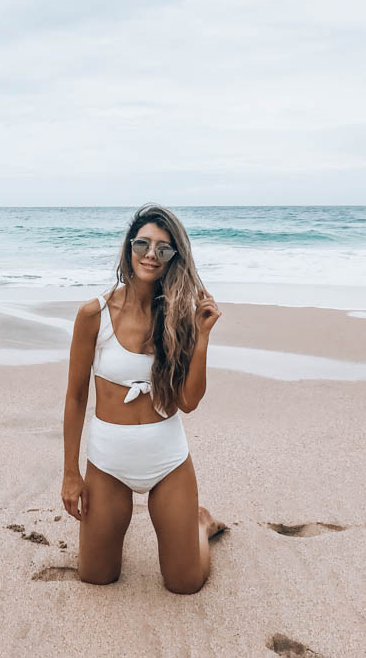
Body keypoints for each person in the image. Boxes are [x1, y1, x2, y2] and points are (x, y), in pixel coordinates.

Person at [61, 203, 226, 594]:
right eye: (143, 244)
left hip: (167, 460)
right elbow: (76, 395)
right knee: (97, 576)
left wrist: (202, 338)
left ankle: (198, 524)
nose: (151, 254)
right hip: (108, 462)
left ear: (173, 259)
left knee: (185, 584)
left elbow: (187, 402)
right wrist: (71, 472)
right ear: (128, 248)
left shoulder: (180, 317)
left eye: (163, 249)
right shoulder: (93, 315)